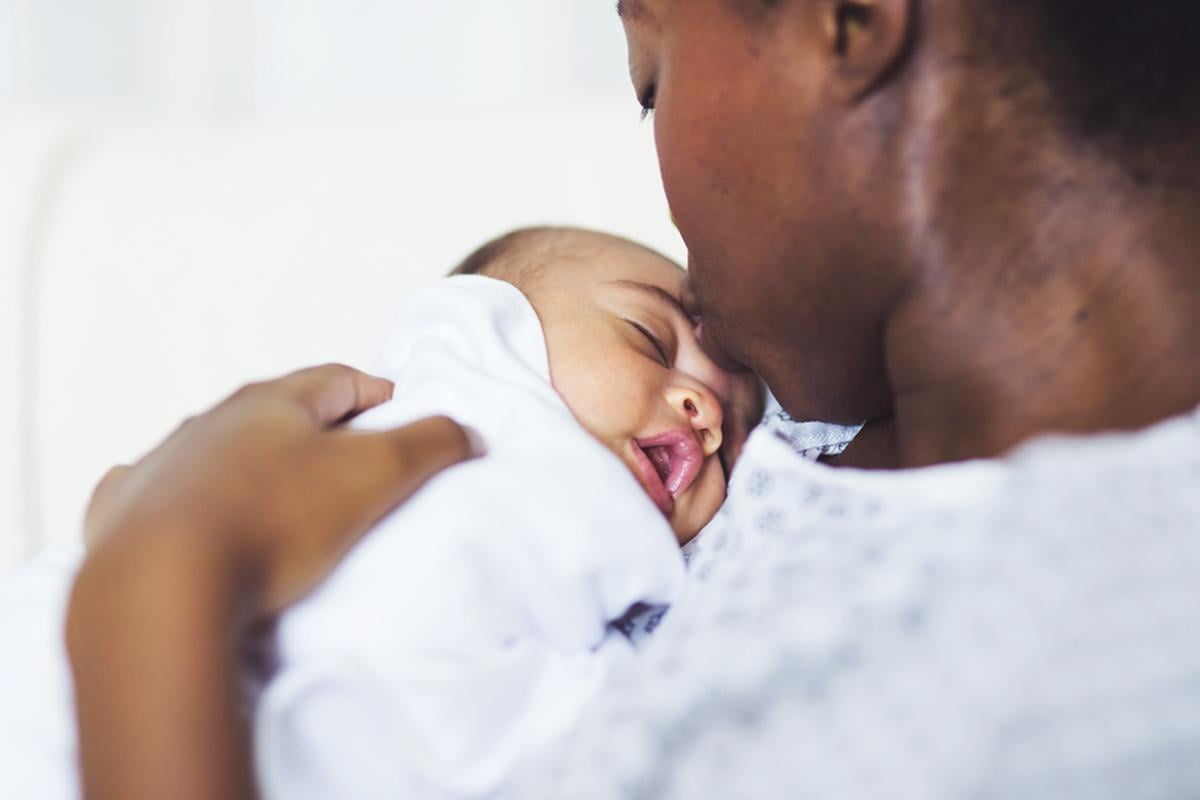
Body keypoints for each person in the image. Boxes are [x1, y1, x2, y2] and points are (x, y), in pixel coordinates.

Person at [63, 0, 1200, 797]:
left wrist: (164, 572)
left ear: (847, 18)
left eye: (651, 79)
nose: (709, 402)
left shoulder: (1093, 655)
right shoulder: (815, 415)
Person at [2, 226, 763, 799]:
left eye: (731, 433)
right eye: (646, 338)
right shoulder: (458, 430)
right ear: (485, 326)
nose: (702, 412)